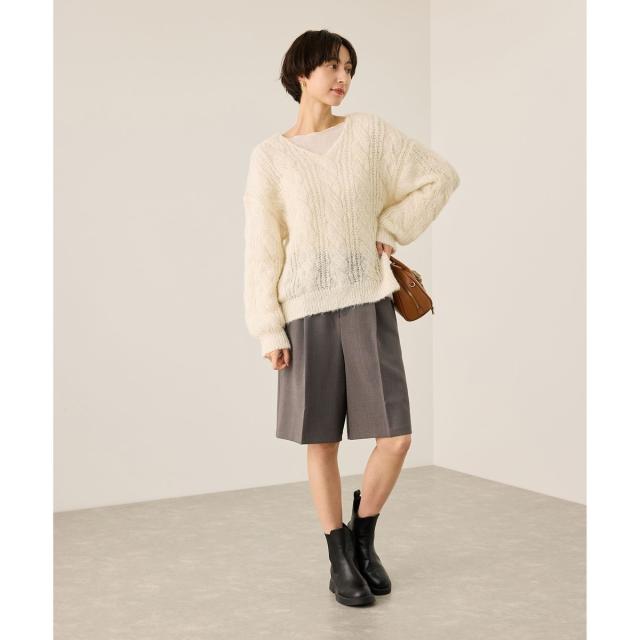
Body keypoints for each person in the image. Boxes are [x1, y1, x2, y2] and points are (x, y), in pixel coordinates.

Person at [242, 29, 460, 607]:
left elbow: (440, 176)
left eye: (349, 68)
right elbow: (262, 247)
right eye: (331, 67)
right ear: (301, 74)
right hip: (304, 311)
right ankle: (339, 556)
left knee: (397, 437)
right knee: (321, 441)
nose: (342, 78)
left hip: (367, 300)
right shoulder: (270, 157)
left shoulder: (368, 133)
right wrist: (268, 327)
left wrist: (390, 230)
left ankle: (364, 535)